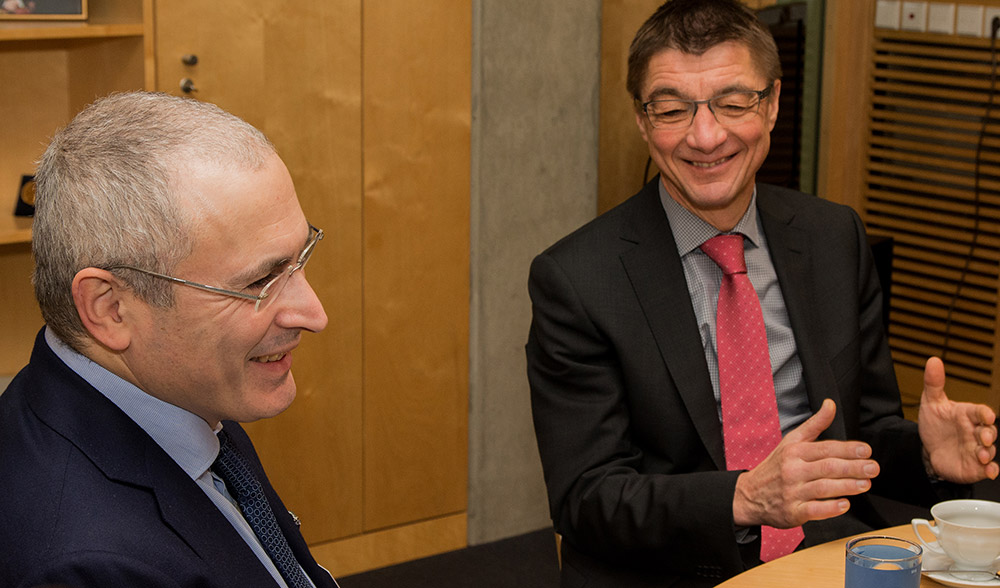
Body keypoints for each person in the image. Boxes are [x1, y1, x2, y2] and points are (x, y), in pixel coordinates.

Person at [525, 1, 999, 586]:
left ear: (772, 104)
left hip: (826, 551)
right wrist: (745, 497)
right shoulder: (578, 280)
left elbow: (862, 437)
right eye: (673, 109)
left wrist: (925, 454)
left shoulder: (832, 237)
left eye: (733, 102)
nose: (705, 136)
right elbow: (587, 496)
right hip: (669, 570)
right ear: (644, 121)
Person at [0, 92, 338, 588]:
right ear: (110, 308)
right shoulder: (86, 567)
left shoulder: (177, 389)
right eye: (258, 283)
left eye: (299, 258)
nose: (315, 314)